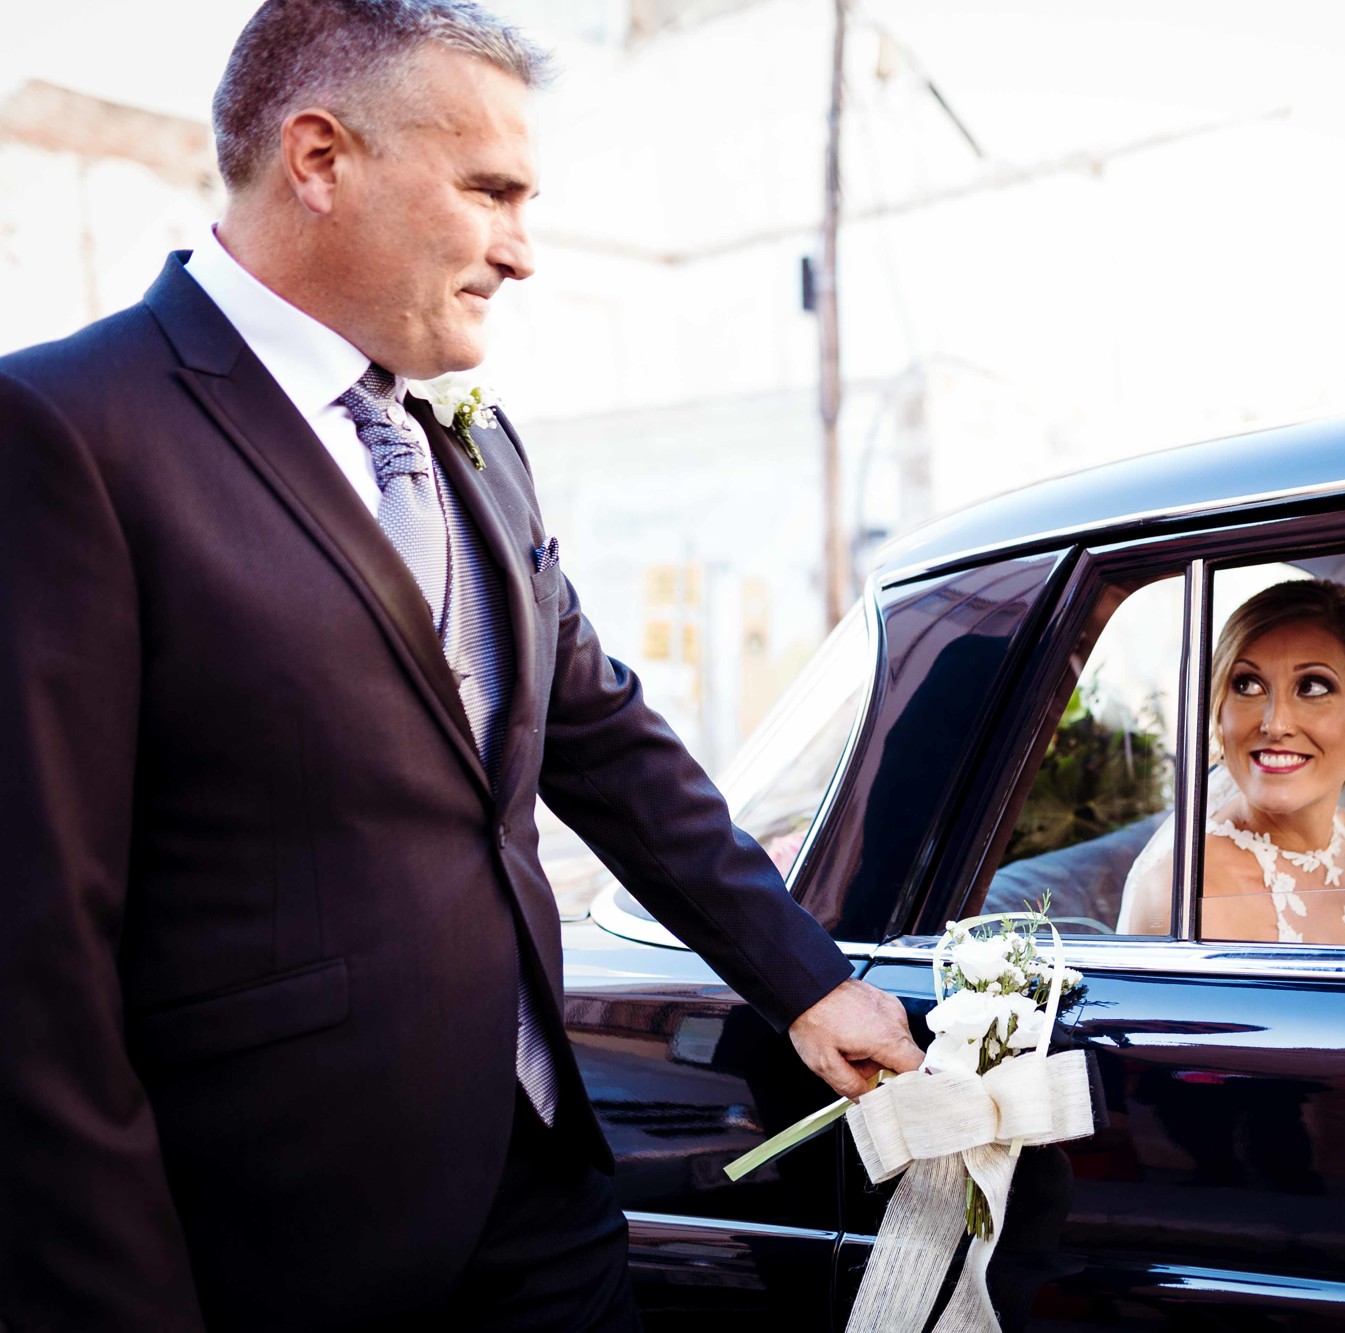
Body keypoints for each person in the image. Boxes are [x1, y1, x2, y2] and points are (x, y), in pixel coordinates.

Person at [0, 4, 922, 1330]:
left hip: (545, 1195)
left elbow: (600, 738)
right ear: (320, 160)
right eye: (490, 192)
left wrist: (807, 977)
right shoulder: (66, 431)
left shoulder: (475, 441)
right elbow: (35, 963)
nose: (523, 251)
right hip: (277, 1241)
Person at [1117, 579, 1345, 942]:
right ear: (1219, 711)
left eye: (1312, 687)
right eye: (1248, 685)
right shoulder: (1184, 897)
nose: (1275, 724)